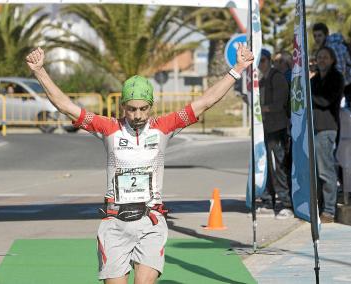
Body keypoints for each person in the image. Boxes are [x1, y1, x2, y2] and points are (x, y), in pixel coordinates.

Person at [26, 44, 254, 283]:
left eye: (143, 109)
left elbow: (205, 102)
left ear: (151, 106)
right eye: (131, 109)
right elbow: (65, 106)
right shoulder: (108, 127)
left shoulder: (164, 127)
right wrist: (40, 71)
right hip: (114, 223)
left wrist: (237, 68)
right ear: (122, 106)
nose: (137, 115)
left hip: (151, 222)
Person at [258, 48, 293, 219]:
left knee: (279, 166)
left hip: (277, 129)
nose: (260, 64)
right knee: (265, 167)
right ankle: (267, 201)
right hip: (264, 129)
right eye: (258, 60)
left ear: (269, 60)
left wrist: (262, 108)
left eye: (263, 60)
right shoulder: (261, 80)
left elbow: (280, 103)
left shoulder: (276, 77)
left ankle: (286, 204)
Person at [311, 46, 344, 223]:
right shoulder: (315, 79)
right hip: (314, 129)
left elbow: (325, 101)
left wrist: (310, 92)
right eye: (319, 57)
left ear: (332, 59)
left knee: (326, 172)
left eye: (325, 57)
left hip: (327, 129)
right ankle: (319, 207)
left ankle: (329, 211)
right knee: (316, 172)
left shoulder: (336, 78)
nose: (321, 60)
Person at [312, 23, 351, 103]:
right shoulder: (327, 48)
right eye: (315, 36)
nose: (317, 39)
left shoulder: (333, 47)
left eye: (320, 35)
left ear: (326, 35)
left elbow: (340, 70)